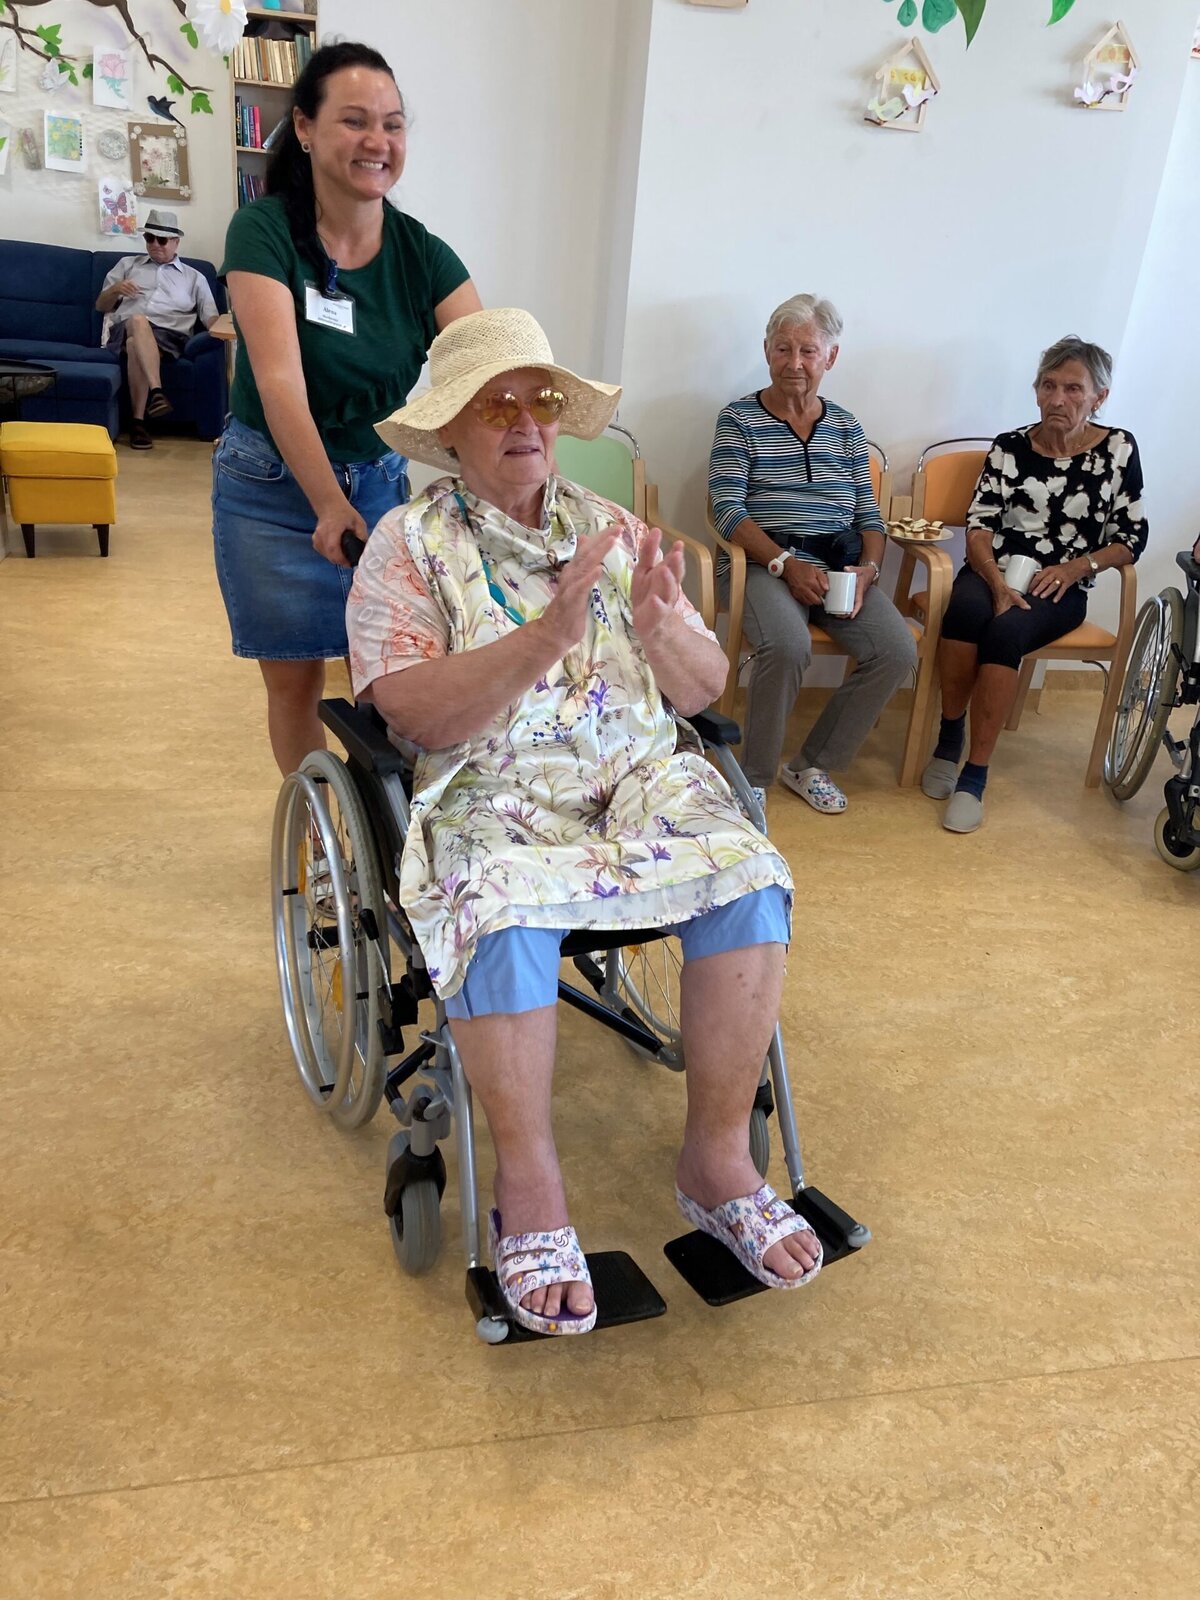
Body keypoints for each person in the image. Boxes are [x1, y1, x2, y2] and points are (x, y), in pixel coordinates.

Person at [346, 308, 823, 1337]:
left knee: (747, 863)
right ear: (450, 431)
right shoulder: (407, 546)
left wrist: (658, 629)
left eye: (541, 401)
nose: (526, 420)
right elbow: (409, 712)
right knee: (499, 896)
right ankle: (530, 1187)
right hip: (489, 787)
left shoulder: (611, 527)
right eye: (496, 405)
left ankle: (717, 1161)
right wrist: (544, 638)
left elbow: (703, 689)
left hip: (632, 775)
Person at [213, 41, 481, 777]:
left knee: (391, 678)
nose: (378, 141)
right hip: (271, 489)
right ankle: (319, 827)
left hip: (378, 487)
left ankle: (387, 824)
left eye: (392, 125)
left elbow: (482, 371)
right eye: (355, 121)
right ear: (304, 127)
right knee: (295, 682)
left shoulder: (423, 256)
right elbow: (280, 384)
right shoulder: (264, 231)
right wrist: (329, 503)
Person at [922, 336, 1148, 833]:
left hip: (1061, 586)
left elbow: (1131, 539)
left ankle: (974, 775)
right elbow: (979, 524)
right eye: (1048, 385)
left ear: (1099, 397)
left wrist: (1076, 568)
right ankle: (949, 736)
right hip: (992, 568)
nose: (1057, 399)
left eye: (1073, 388)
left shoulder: (1118, 449)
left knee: (1005, 633)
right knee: (964, 612)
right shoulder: (1009, 447)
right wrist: (996, 581)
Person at [708, 294, 916, 815]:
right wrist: (784, 563)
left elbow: (869, 516)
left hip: (838, 568)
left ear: (831, 357)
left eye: (808, 351)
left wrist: (869, 571)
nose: (795, 363)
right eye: (783, 349)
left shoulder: (846, 426)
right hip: (761, 565)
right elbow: (726, 510)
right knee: (786, 643)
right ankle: (753, 777)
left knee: (896, 651)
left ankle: (812, 765)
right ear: (766, 351)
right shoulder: (738, 419)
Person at [95, 210, 219, 451]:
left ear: (175, 242)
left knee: (135, 345)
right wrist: (116, 289)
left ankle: (138, 423)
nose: (154, 244)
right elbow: (101, 305)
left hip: (170, 335)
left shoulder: (195, 277)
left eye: (161, 240)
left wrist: (230, 330)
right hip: (126, 327)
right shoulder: (127, 265)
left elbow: (210, 316)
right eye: (149, 238)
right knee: (138, 321)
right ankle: (157, 391)